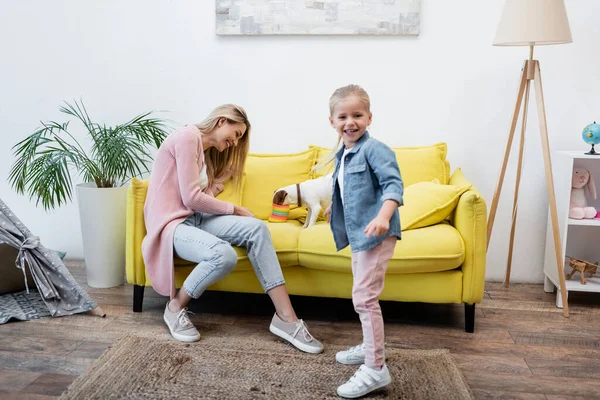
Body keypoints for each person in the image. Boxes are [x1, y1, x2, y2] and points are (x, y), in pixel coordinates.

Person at [141, 104, 323, 355]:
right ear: (221, 121)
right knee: (222, 255)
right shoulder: (186, 137)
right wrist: (234, 209)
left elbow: (194, 196)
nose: (235, 143)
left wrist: (215, 185)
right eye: (236, 134)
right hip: (172, 224)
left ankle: (286, 319)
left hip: (195, 218)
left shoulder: (201, 150)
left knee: (257, 229)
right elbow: (190, 198)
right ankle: (175, 308)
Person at [317, 85, 403, 398]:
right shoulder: (344, 152)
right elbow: (347, 188)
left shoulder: (374, 149)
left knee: (364, 299)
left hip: (377, 234)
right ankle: (370, 347)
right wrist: (334, 207)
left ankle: (375, 368)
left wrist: (383, 216)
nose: (350, 121)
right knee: (362, 295)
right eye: (343, 116)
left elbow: (393, 185)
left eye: (357, 115)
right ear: (332, 121)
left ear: (369, 117)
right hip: (360, 235)